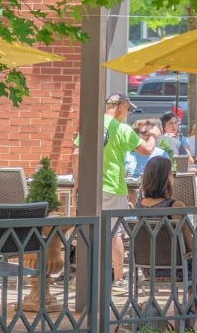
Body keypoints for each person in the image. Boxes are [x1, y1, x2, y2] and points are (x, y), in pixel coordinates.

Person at [136, 157, 197, 328]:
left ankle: (189, 319)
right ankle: (192, 312)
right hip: (180, 270)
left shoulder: (139, 206)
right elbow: (189, 246)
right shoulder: (175, 206)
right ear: (166, 178)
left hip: (149, 269)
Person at [81, 92, 145, 289]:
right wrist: (153, 135)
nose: (127, 114)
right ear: (119, 107)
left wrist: (78, 183)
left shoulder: (91, 123)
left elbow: (77, 152)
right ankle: (118, 278)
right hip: (113, 185)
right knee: (115, 232)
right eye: (127, 109)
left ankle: (87, 275)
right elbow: (146, 150)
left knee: (88, 230)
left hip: (90, 186)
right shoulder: (122, 129)